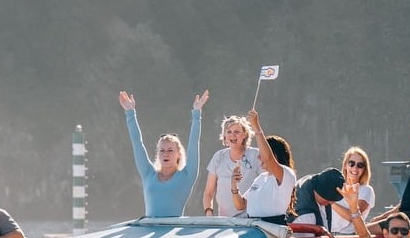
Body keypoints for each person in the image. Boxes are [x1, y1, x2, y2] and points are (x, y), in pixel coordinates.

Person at [119, 90, 209, 218]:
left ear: (179, 154)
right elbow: (137, 143)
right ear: (158, 154)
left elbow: (194, 143)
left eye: (170, 150)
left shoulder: (187, 176)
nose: (165, 154)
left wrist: (196, 114)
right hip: (149, 229)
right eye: (162, 150)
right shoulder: (148, 173)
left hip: (171, 232)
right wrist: (130, 113)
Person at [231, 110, 296, 224]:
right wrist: (234, 185)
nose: (259, 158)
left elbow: (268, 159)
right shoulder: (260, 178)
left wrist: (256, 127)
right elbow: (241, 205)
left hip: (272, 227)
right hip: (254, 227)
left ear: (274, 154)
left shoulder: (286, 174)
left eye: (261, 154)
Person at [203, 115, 259, 217]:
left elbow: (265, 186)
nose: (232, 135)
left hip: (251, 220)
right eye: (229, 132)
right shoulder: (218, 157)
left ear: (245, 134)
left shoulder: (256, 155)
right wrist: (208, 213)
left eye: (236, 132)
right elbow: (208, 193)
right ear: (224, 136)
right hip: (224, 221)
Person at [330, 147, 375, 234]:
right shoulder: (335, 186)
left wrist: (330, 202)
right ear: (345, 165)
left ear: (364, 169)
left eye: (360, 165)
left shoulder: (366, 190)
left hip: (348, 237)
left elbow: (353, 216)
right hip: (328, 234)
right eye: (351, 163)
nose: (355, 168)